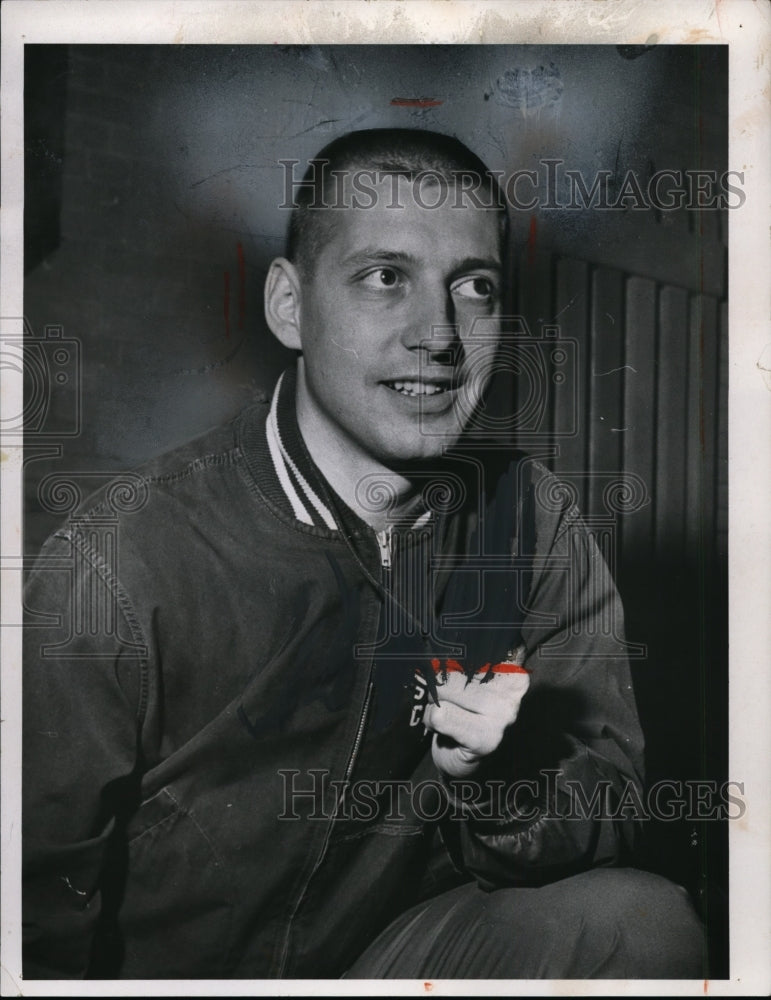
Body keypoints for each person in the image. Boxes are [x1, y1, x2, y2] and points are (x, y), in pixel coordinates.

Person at [22, 128, 704, 979]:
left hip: (387, 958)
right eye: (386, 278)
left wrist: (494, 781)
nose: (440, 336)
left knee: (639, 924)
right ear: (288, 304)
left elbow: (609, 795)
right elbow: (35, 905)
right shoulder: (121, 556)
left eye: (475, 287)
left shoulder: (531, 521)